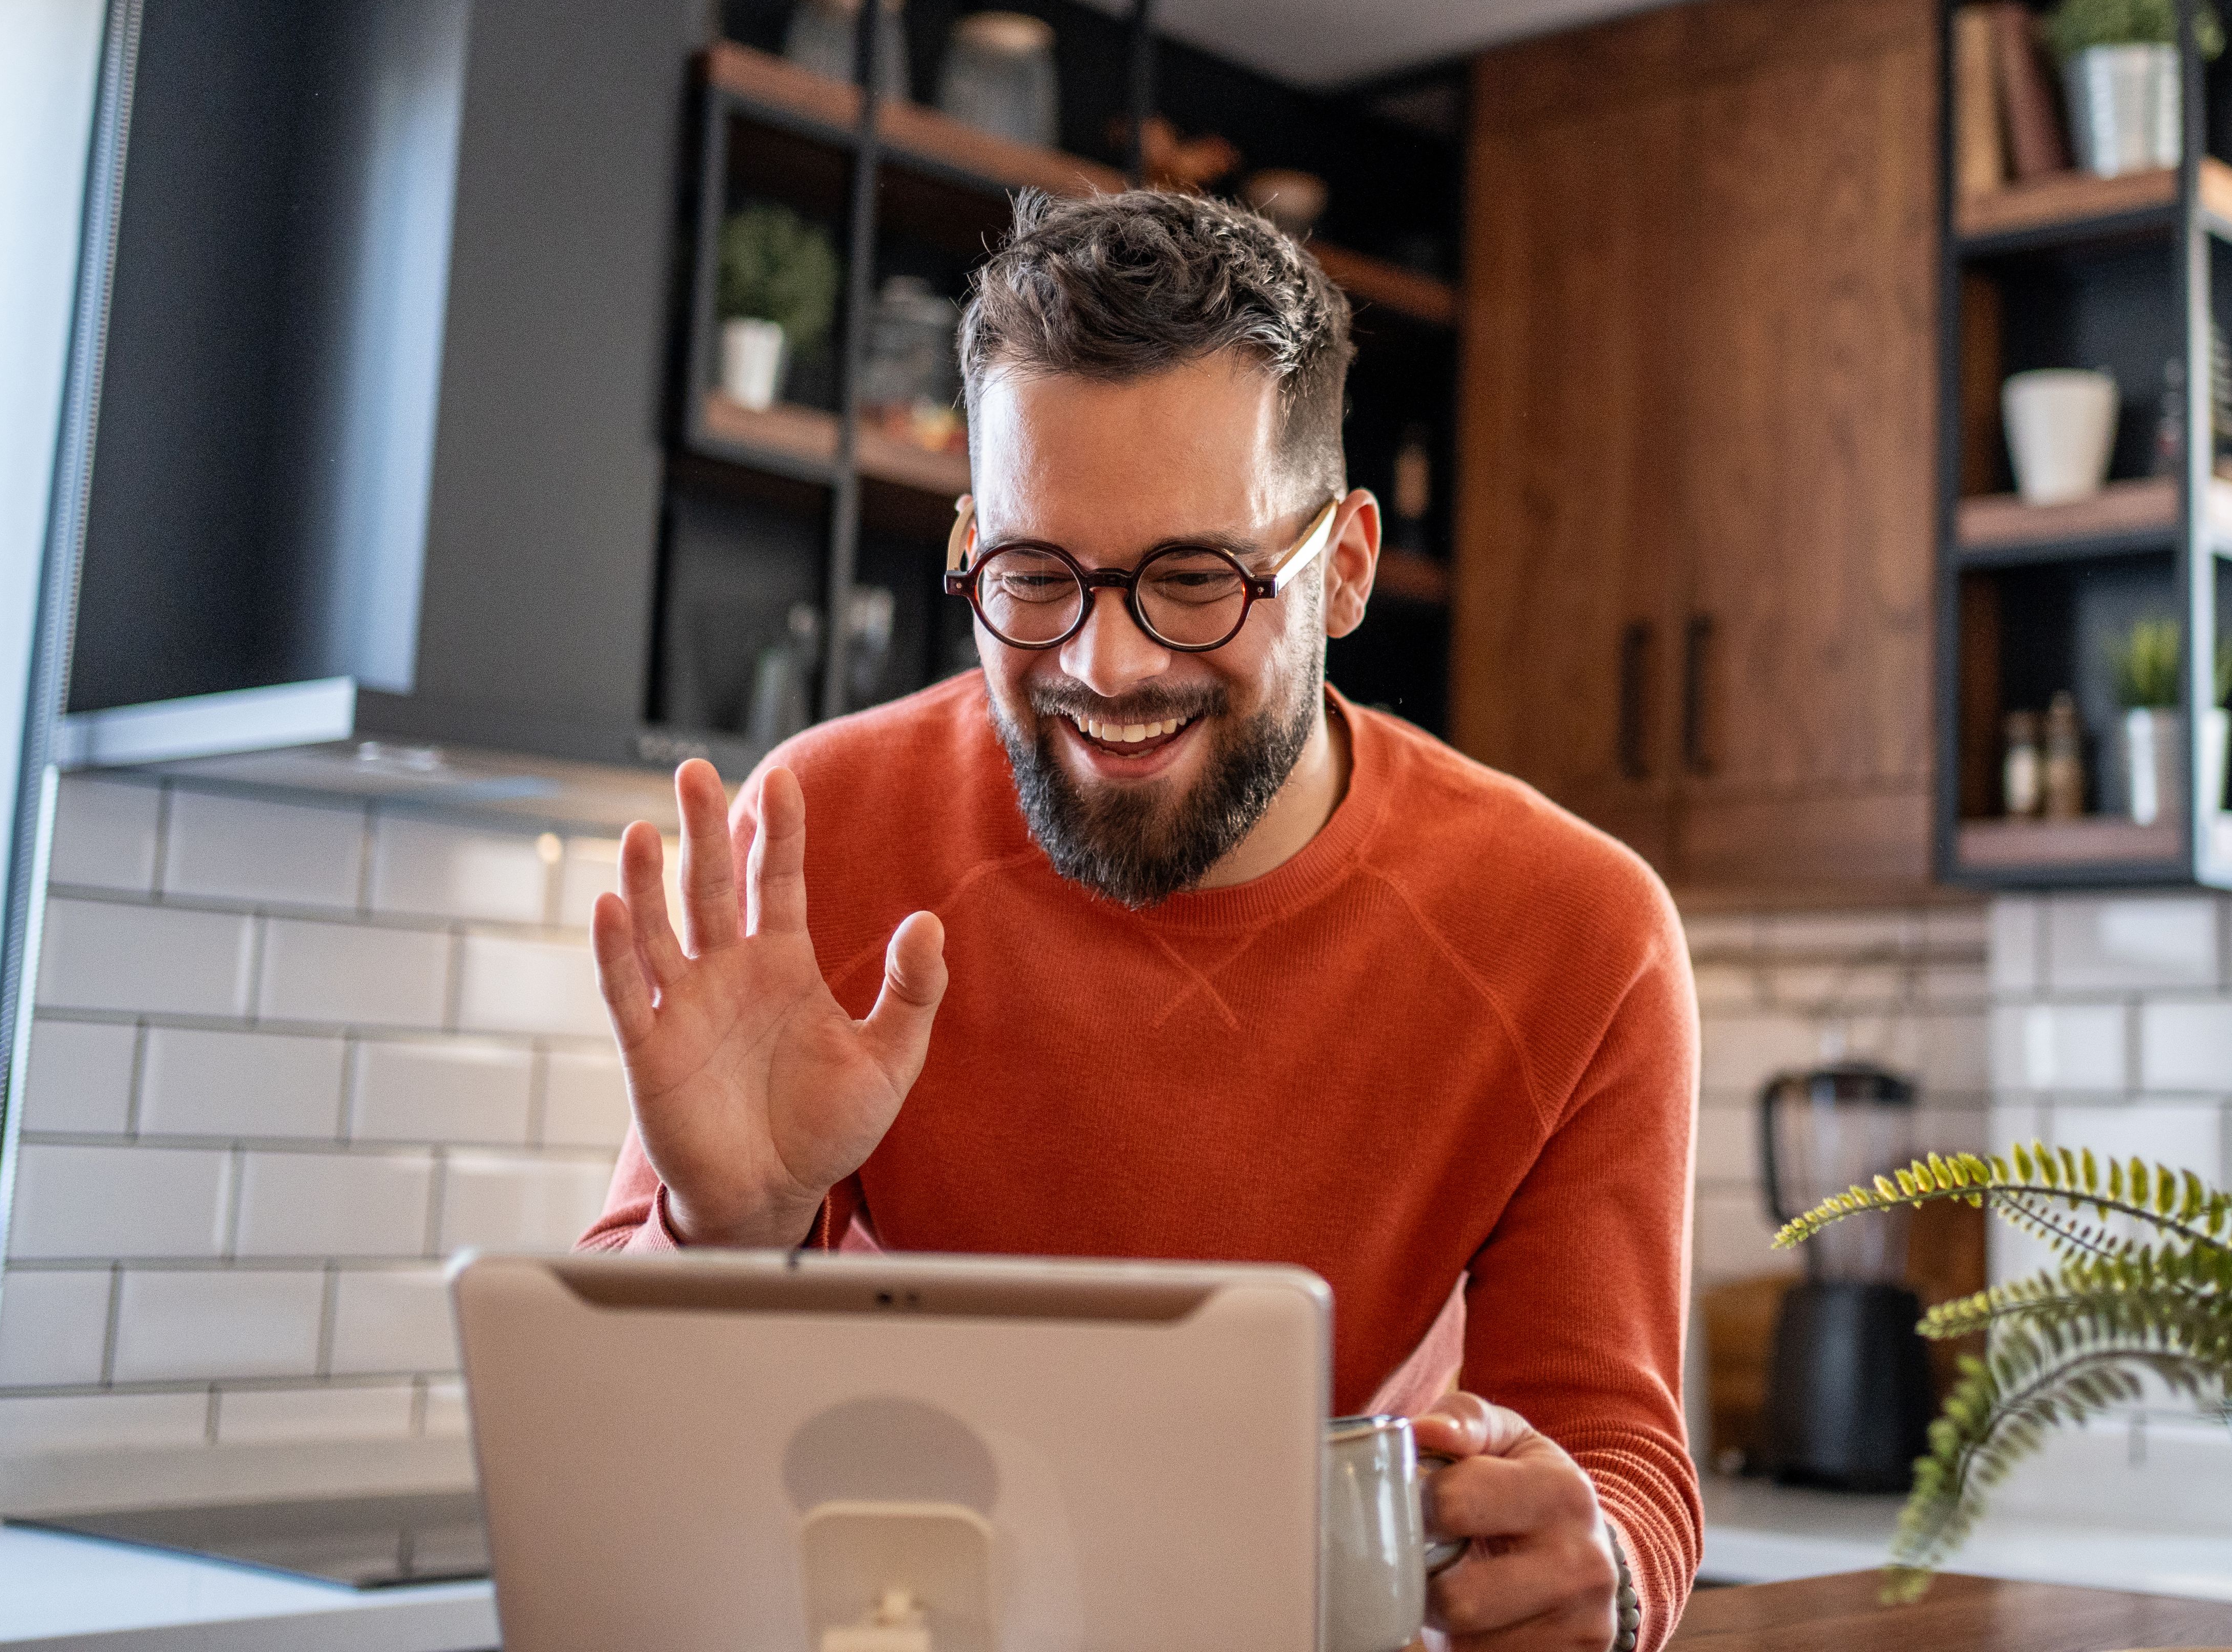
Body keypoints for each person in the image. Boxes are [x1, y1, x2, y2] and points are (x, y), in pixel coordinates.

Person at [579, 189, 1700, 1652]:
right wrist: (719, 1230)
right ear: (971, 547)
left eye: (1194, 581)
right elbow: (609, 1441)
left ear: (1343, 569)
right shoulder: (826, 840)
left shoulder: (1577, 934)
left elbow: (1617, 1460)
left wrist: (1595, 1572)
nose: (1106, 668)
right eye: (1035, 577)